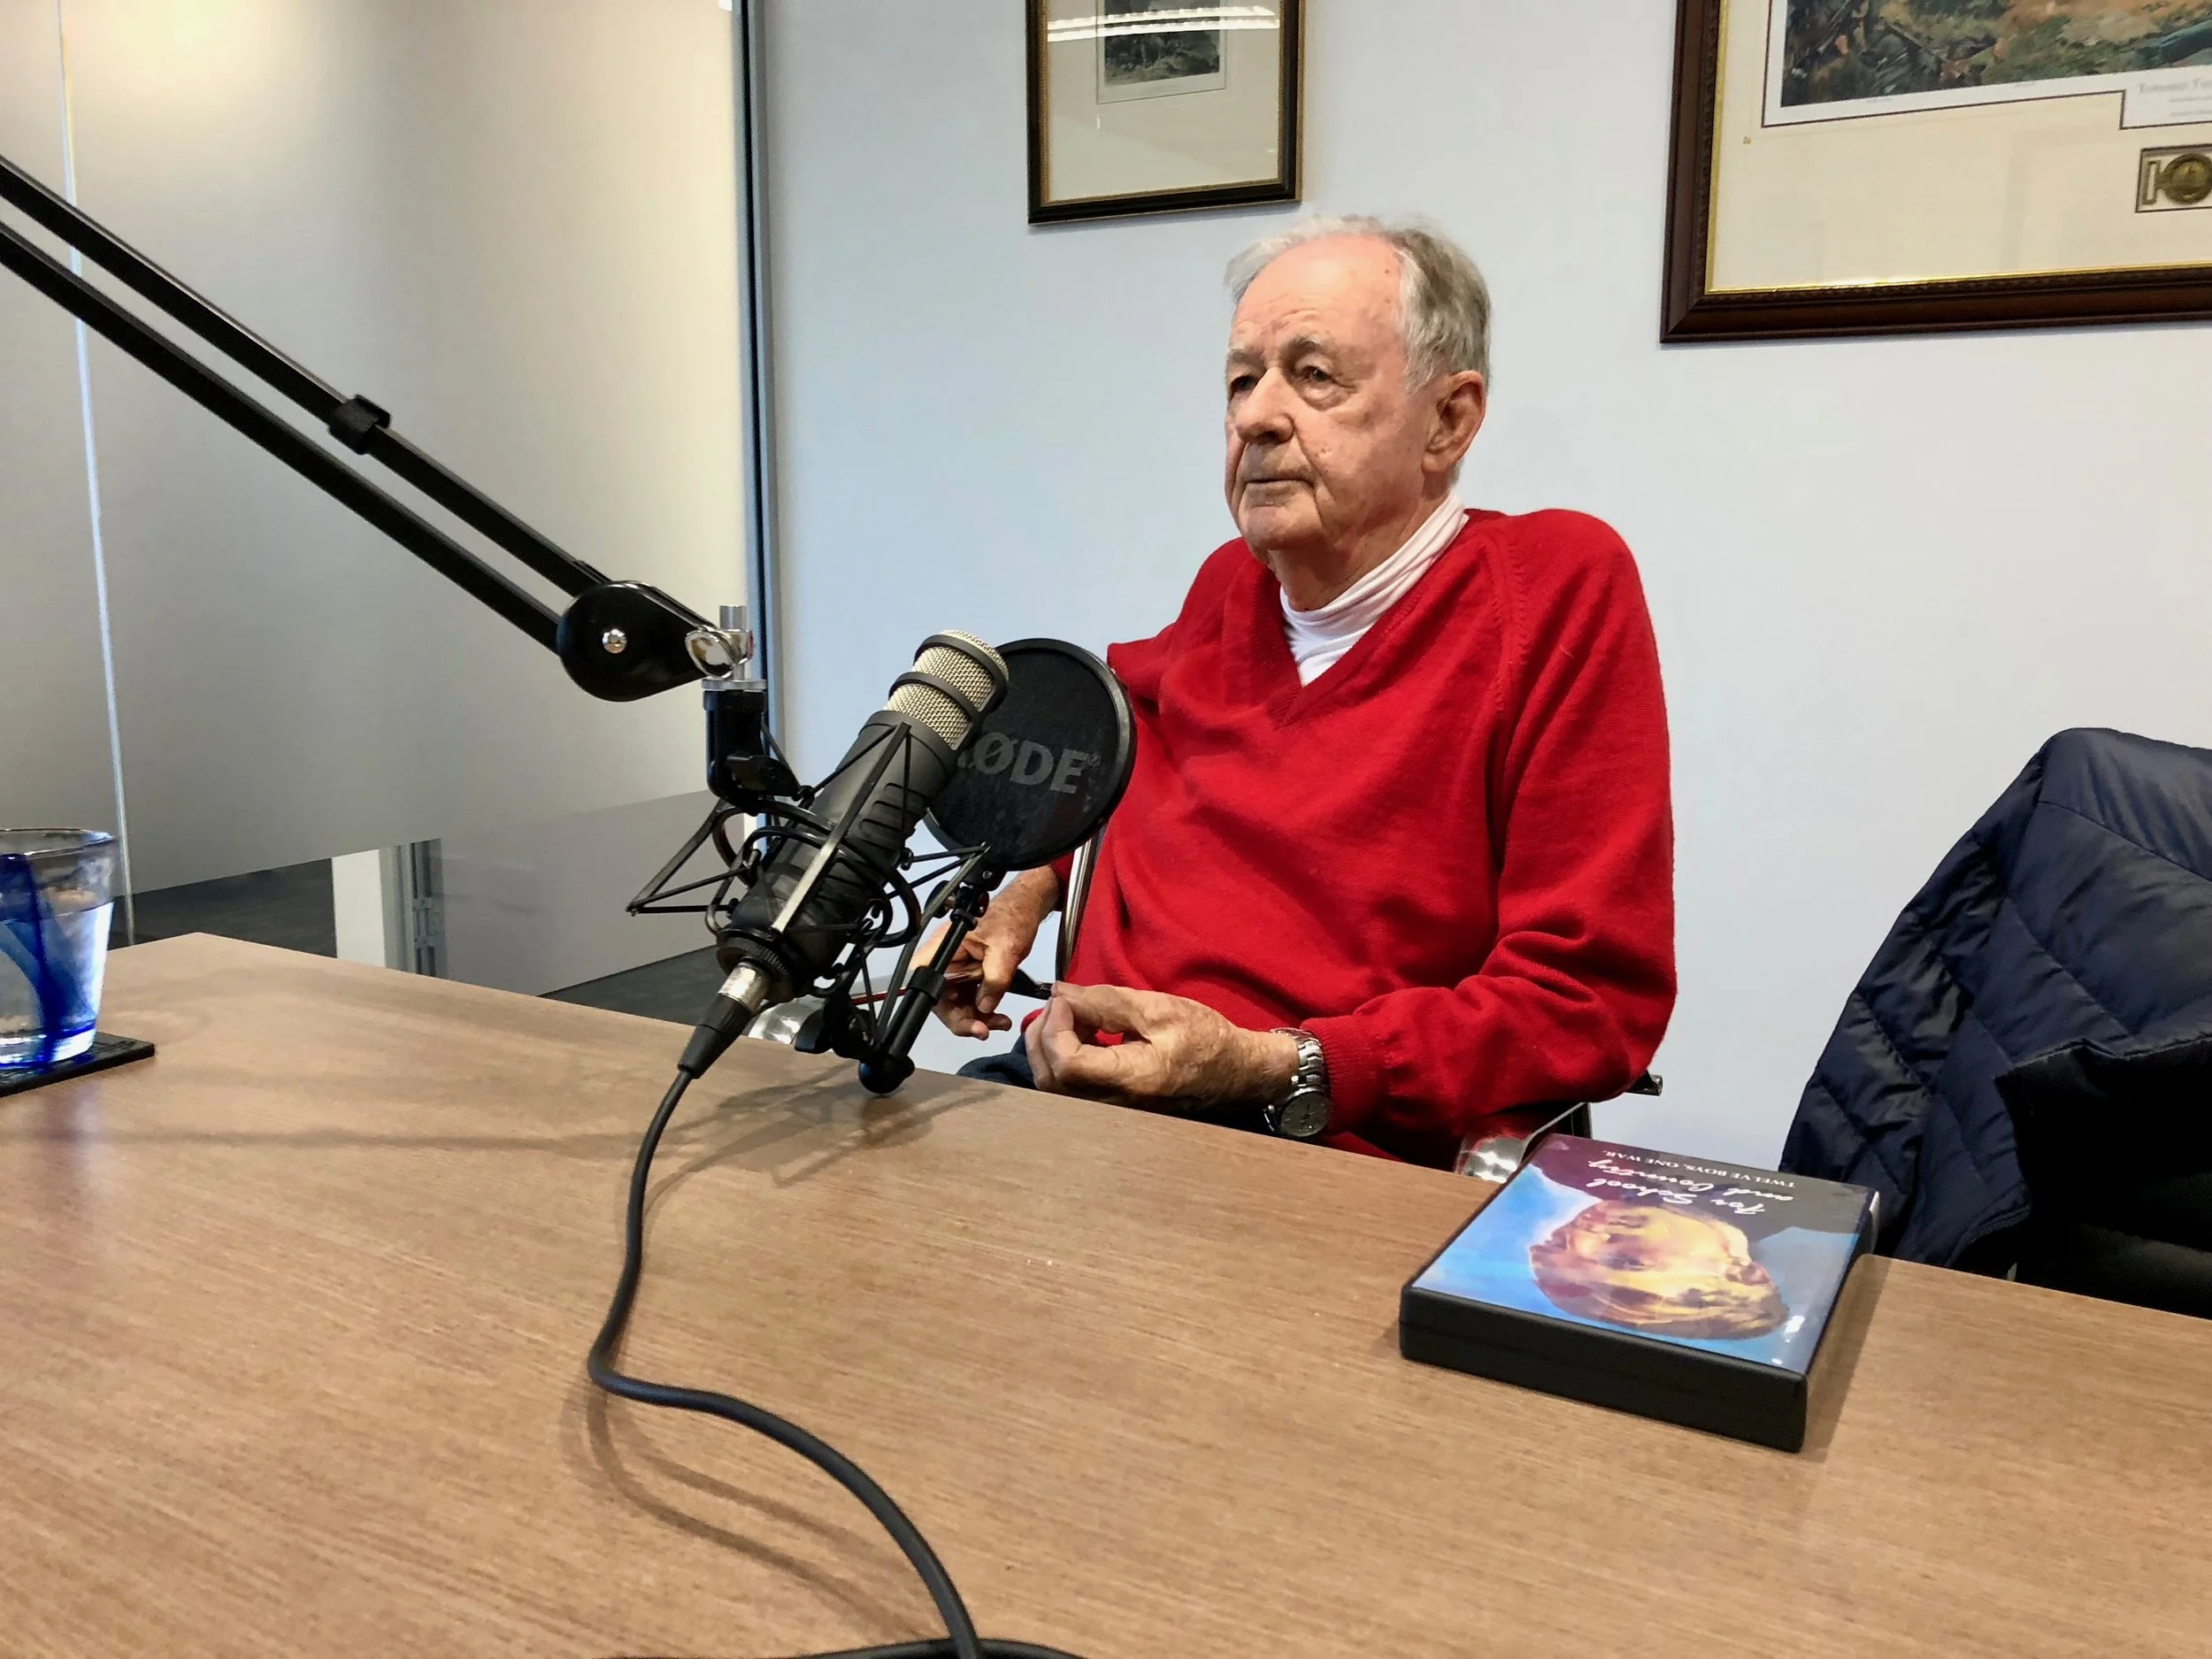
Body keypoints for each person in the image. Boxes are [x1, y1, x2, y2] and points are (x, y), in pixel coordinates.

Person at [935, 216, 1675, 1170]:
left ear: (1448, 421)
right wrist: (1024, 894)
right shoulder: (1227, 587)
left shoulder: (1555, 589)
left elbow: (1588, 1002)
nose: (1255, 416)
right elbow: (1128, 762)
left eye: (1313, 375)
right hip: (1075, 1102)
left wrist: (1269, 1066)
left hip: (1328, 1149)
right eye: (1242, 380)